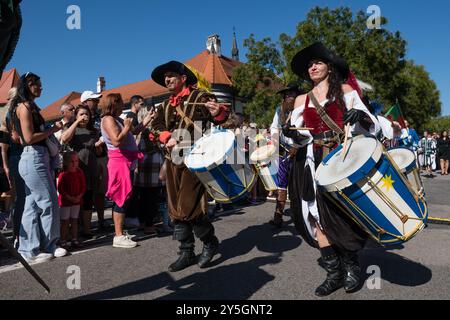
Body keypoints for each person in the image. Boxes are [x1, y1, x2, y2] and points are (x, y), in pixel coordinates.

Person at [287, 43, 380, 296]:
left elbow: (373, 126)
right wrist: (289, 135)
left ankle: (351, 267)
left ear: (329, 67)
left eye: (317, 62)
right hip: (311, 161)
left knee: (343, 214)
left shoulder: (346, 90)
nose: (313, 67)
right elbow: (296, 138)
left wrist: (359, 118)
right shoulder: (301, 99)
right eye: (309, 65)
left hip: (341, 159)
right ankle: (333, 273)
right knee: (316, 216)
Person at [150, 60, 228, 272]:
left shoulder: (201, 97)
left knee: (188, 204)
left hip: (196, 158)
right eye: (165, 77)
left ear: (183, 78)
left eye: (171, 75)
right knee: (176, 208)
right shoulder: (165, 105)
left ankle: (210, 242)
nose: (167, 79)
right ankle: (186, 251)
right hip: (172, 160)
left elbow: (223, 118)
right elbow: (155, 126)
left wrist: (216, 112)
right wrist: (165, 135)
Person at [9, 72, 67, 262]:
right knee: (48, 201)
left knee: (31, 205)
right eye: (38, 85)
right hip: (34, 156)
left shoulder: (20, 107)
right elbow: (27, 138)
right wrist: (53, 129)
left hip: (30, 158)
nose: (41, 88)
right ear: (29, 85)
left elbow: (16, 137)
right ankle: (50, 244)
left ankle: (29, 249)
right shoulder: (25, 107)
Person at [101, 93, 144, 248]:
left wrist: (147, 120)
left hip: (126, 162)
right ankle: (118, 236)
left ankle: (121, 232)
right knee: (121, 197)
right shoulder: (108, 119)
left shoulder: (117, 119)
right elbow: (116, 140)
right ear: (113, 104)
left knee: (125, 196)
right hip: (119, 163)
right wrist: (126, 127)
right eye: (120, 103)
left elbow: (134, 132)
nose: (123, 106)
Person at [61, 105, 103, 237]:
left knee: (88, 199)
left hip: (91, 167)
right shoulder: (71, 127)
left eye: (87, 114)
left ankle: (87, 229)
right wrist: (76, 122)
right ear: (76, 116)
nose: (85, 117)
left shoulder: (94, 131)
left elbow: (98, 152)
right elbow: (64, 138)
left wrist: (99, 147)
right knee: (75, 199)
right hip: (75, 169)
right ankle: (75, 229)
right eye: (81, 114)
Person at [268, 82, 303, 227]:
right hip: (284, 151)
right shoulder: (279, 110)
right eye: (287, 95)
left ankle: (301, 217)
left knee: (298, 185)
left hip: (300, 151)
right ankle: (278, 216)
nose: (289, 97)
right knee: (281, 184)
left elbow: (306, 132)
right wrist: (275, 142)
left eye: (292, 94)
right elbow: (274, 128)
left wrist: (296, 146)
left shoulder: (302, 109)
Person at [80, 91, 108, 230]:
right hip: (85, 159)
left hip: (101, 157)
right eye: (93, 100)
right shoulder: (79, 118)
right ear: (85, 102)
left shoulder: (100, 117)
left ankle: (102, 221)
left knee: (100, 192)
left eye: (97, 101)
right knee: (84, 192)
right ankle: (83, 225)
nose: (97, 103)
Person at [57, 151, 86, 249]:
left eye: (76, 161)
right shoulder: (63, 174)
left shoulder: (79, 172)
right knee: (65, 221)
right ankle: (63, 240)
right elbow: (60, 188)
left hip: (77, 200)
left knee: (74, 220)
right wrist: (69, 197)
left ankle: (74, 238)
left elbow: (83, 186)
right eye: (71, 162)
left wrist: (79, 196)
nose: (74, 164)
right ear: (65, 163)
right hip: (65, 202)